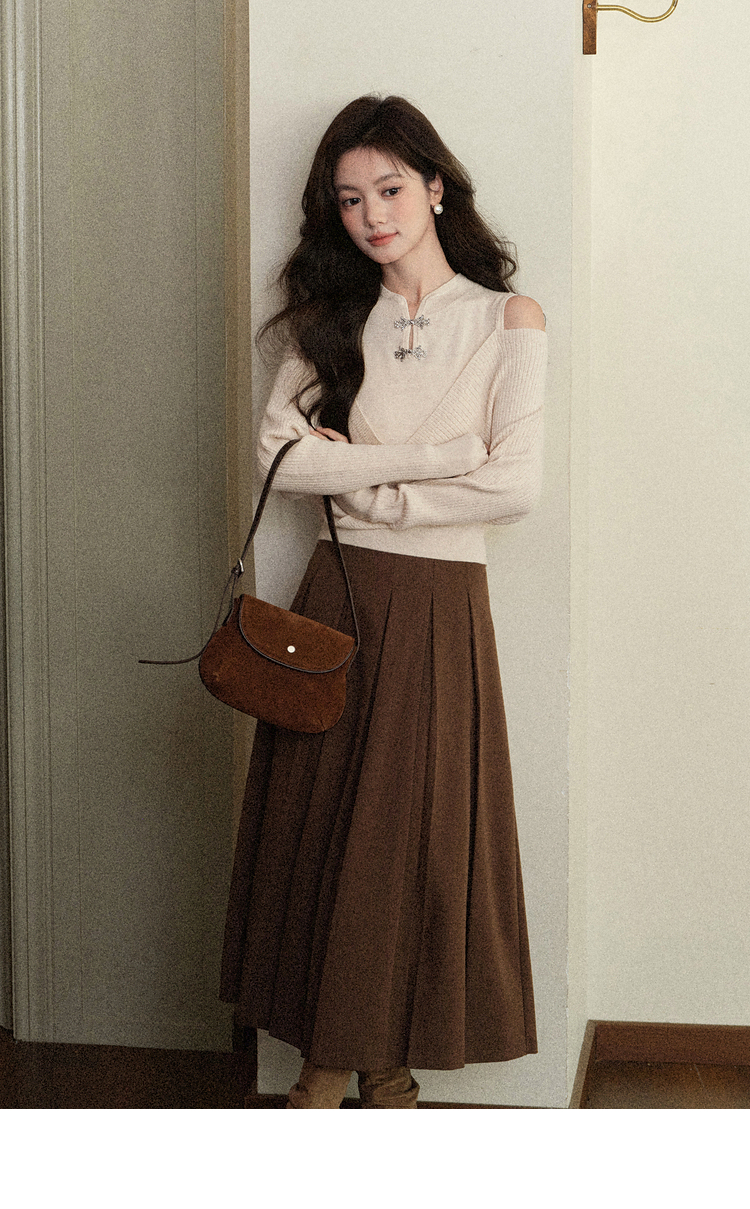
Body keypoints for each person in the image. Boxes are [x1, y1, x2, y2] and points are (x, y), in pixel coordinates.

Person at [220, 95, 547, 1109]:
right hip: (337, 595)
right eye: (350, 198)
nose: (372, 214)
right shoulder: (328, 320)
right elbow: (281, 462)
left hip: (442, 604)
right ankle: (369, 1074)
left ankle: (351, 1075)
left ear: (437, 188)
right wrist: (437, 459)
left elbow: (514, 484)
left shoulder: (507, 320)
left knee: (411, 838)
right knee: (323, 832)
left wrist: (368, 481)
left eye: (391, 189)